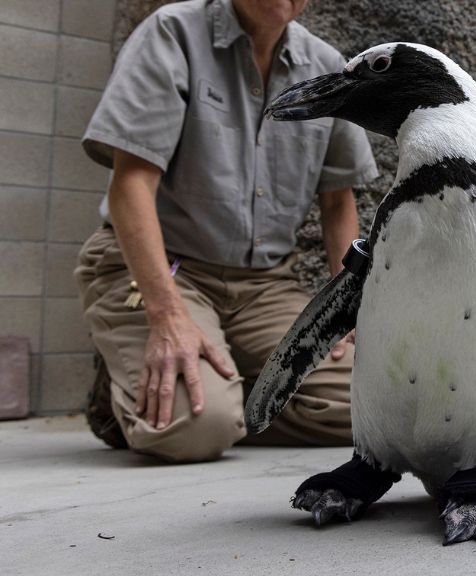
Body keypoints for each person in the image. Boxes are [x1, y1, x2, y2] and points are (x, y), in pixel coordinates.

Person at [74, 0, 379, 462]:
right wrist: (166, 315)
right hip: (167, 272)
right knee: (194, 427)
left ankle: (229, 390)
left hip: (265, 287)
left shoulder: (326, 67)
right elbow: (131, 182)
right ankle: (147, 395)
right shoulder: (173, 33)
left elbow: (338, 200)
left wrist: (344, 309)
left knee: (369, 404)